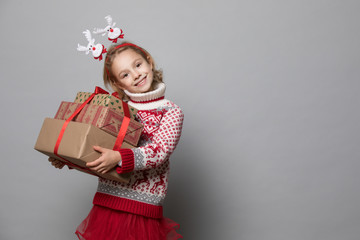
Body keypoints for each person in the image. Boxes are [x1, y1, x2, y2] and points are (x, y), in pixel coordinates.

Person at [49, 42, 184, 239]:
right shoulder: (117, 108)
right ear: (119, 84)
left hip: (141, 205)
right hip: (108, 199)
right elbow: (98, 145)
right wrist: (67, 157)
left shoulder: (170, 111)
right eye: (125, 74)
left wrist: (119, 158)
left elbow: (159, 151)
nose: (136, 74)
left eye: (137, 65)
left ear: (149, 62)